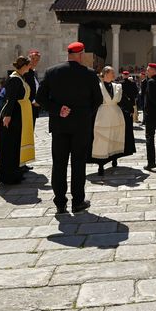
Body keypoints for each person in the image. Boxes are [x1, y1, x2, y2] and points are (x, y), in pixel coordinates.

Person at [36, 42, 102, 215]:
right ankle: (78, 201)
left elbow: (40, 98)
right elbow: (98, 100)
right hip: (81, 126)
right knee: (78, 163)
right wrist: (86, 114)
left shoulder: (52, 72)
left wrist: (58, 110)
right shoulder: (89, 74)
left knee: (59, 164)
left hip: (60, 125)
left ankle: (60, 203)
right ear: (80, 54)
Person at [0, 56, 36, 185]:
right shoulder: (14, 79)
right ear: (24, 66)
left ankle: (15, 172)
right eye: (29, 65)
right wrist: (8, 116)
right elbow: (10, 99)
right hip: (13, 114)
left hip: (19, 114)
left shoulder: (20, 78)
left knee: (16, 144)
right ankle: (8, 175)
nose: (30, 67)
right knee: (10, 145)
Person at [90, 66, 127, 176]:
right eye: (112, 73)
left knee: (115, 136)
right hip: (103, 115)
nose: (114, 75)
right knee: (101, 139)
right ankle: (100, 165)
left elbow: (122, 100)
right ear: (105, 73)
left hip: (116, 114)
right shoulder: (98, 86)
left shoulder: (117, 86)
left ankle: (114, 158)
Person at [118, 71, 139, 162]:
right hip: (130, 105)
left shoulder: (119, 84)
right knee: (130, 122)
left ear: (123, 75)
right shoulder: (132, 83)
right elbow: (136, 92)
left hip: (122, 105)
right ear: (128, 75)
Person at [23, 49, 41, 128]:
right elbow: (24, 90)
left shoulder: (33, 72)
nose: (35, 62)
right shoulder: (25, 72)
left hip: (33, 108)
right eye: (33, 59)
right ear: (28, 58)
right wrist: (33, 101)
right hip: (27, 106)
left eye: (37, 60)